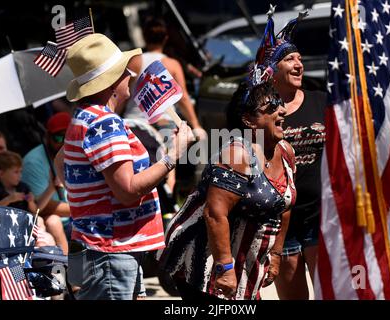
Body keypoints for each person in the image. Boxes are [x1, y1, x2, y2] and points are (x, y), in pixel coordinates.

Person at [55, 33, 194, 300]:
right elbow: (128, 192)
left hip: (104, 248)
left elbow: (61, 162)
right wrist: (173, 156)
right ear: (111, 83)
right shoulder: (104, 122)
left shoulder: (83, 117)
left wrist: (88, 200)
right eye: (123, 70)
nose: (131, 73)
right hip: (110, 252)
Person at [158, 80, 296, 300]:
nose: (282, 110)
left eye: (280, 105)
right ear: (248, 120)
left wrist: (276, 254)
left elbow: (285, 205)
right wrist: (225, 269)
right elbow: (214, 214)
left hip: (246, 263)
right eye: (271, 107)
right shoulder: (236, 154)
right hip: (206, 266)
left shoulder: (286, 151)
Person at [264, 10, 327, 299]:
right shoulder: (261, 114)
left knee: (331, 292)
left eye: (300, 59)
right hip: (281, 222)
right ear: (272, 70)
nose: (299, 64)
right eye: (290, 59)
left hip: (321, 216)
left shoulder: (321, 101)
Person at [123, 17, 207, 191]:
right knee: (169, 168)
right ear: (166, 39)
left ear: (144, 38)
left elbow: (125, 93)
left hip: (133, 123)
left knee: (135, 166)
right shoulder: (171, 64)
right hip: (162, 124)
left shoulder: (134, 61)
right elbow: (182, 98)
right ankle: (167, 204)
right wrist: (196, 125)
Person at [21, 112, 71, 255]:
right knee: (53, 221)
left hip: (73, 217)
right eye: (58, 137)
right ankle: (68, 268)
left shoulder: (76, 152)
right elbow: (43, 207)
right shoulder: (33, 162)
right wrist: (84, 209)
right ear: (47, 136)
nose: (63, 142)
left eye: (67, 136)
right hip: (53, 220)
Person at [0, 151, 58, 247]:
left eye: (20, 171)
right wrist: (8, 200)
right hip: (5, 225)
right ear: (1, 174)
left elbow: (35, 210)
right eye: (16, 172)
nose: (20, 175)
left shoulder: (23, 187)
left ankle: (40, 239)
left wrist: (31, 202)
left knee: (39, 219)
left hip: (25, 221)